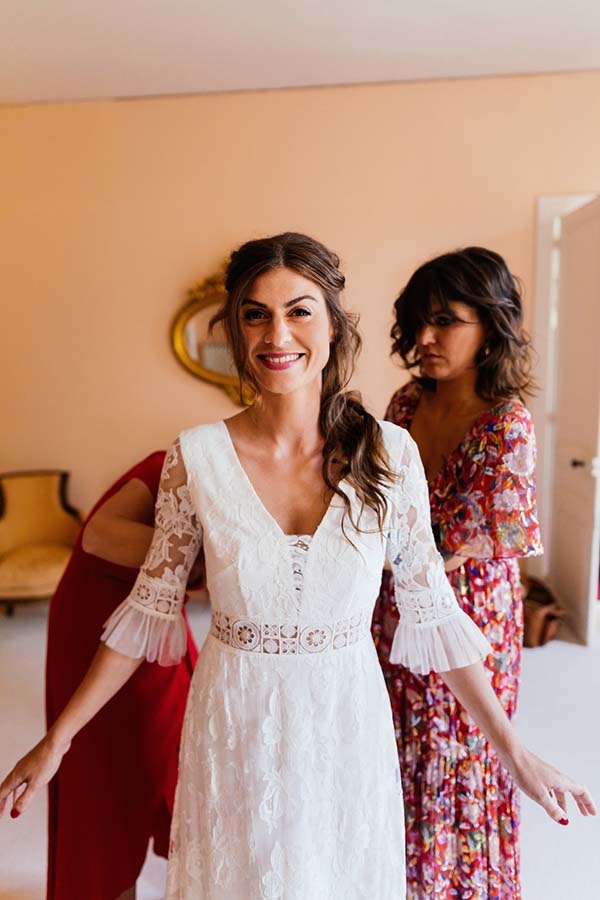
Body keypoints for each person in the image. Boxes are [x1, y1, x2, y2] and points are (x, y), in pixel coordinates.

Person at [0, 234, 594, 900]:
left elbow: (435, 616)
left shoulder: (390, 454)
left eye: (299, 311)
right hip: (234, 724)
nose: (276, 334)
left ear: (334, 326)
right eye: (255, 314)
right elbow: (147, 611)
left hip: (347, 721)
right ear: (235, 330)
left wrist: (516, 753)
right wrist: (59, 739)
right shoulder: (195, 458)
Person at [371, 246, 544, 899]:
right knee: (395, 748)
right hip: (390, 607)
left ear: (491, 325)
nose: (425, 338)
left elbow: (455, 547)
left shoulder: (505, 423)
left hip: (468, 615)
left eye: (445, 321)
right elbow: (374, 503)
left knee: (458, 756)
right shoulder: (405, 404)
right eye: (418, 320)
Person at [45, 452, 200, 900]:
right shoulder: (178, 461)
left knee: (179, 764)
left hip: (165, 622)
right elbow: (98, 535)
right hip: (98, 622)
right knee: (105, 784)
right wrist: (208, 552)